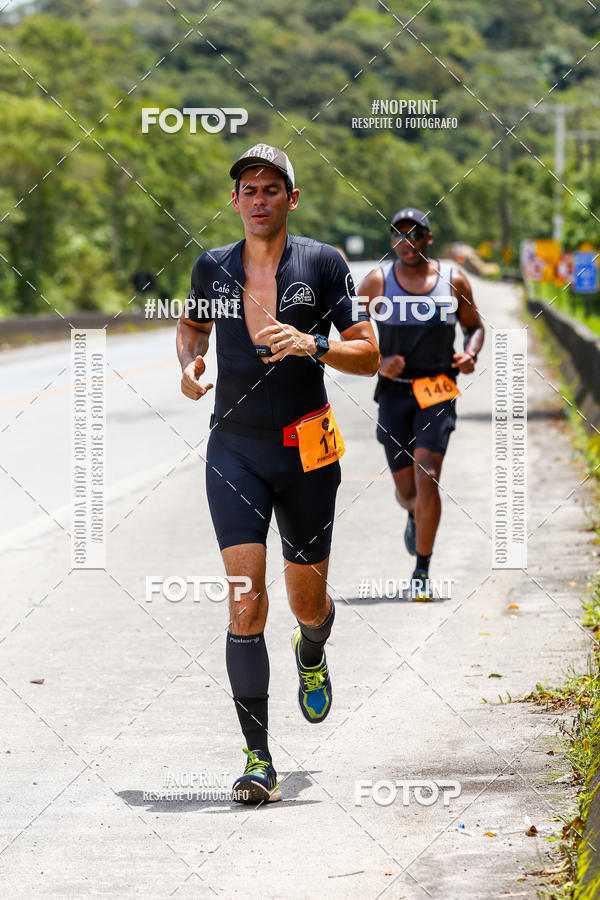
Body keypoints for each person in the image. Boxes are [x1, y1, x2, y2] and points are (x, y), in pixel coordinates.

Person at [176, 143, 379, 804]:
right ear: (234, 201)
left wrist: (314, 343)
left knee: (306, 602)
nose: (259, 200)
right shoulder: (211, 269)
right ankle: (257, 758)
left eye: (271, 190)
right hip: (233, 448)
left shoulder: (322, 263)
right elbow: (191, 328)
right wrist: (189, 363)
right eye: (248, 190)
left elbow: (369, 354)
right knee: (245, 597)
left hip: (307, 450)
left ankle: (313, 648)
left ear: (291, 199)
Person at [357, 208, 484, 597]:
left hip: (438, 389)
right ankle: (413, 513)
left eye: (415, 234)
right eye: (399, 235)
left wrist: (470, 353)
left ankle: (422, 571)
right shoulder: (377, 282)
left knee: (426, 473)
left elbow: (474, 326)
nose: (406, 242)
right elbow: (345, 326)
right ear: (391, 240)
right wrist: (378, 360)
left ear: (429, 239)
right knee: (407, 491)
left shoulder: (453, 280)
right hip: (395, 393)